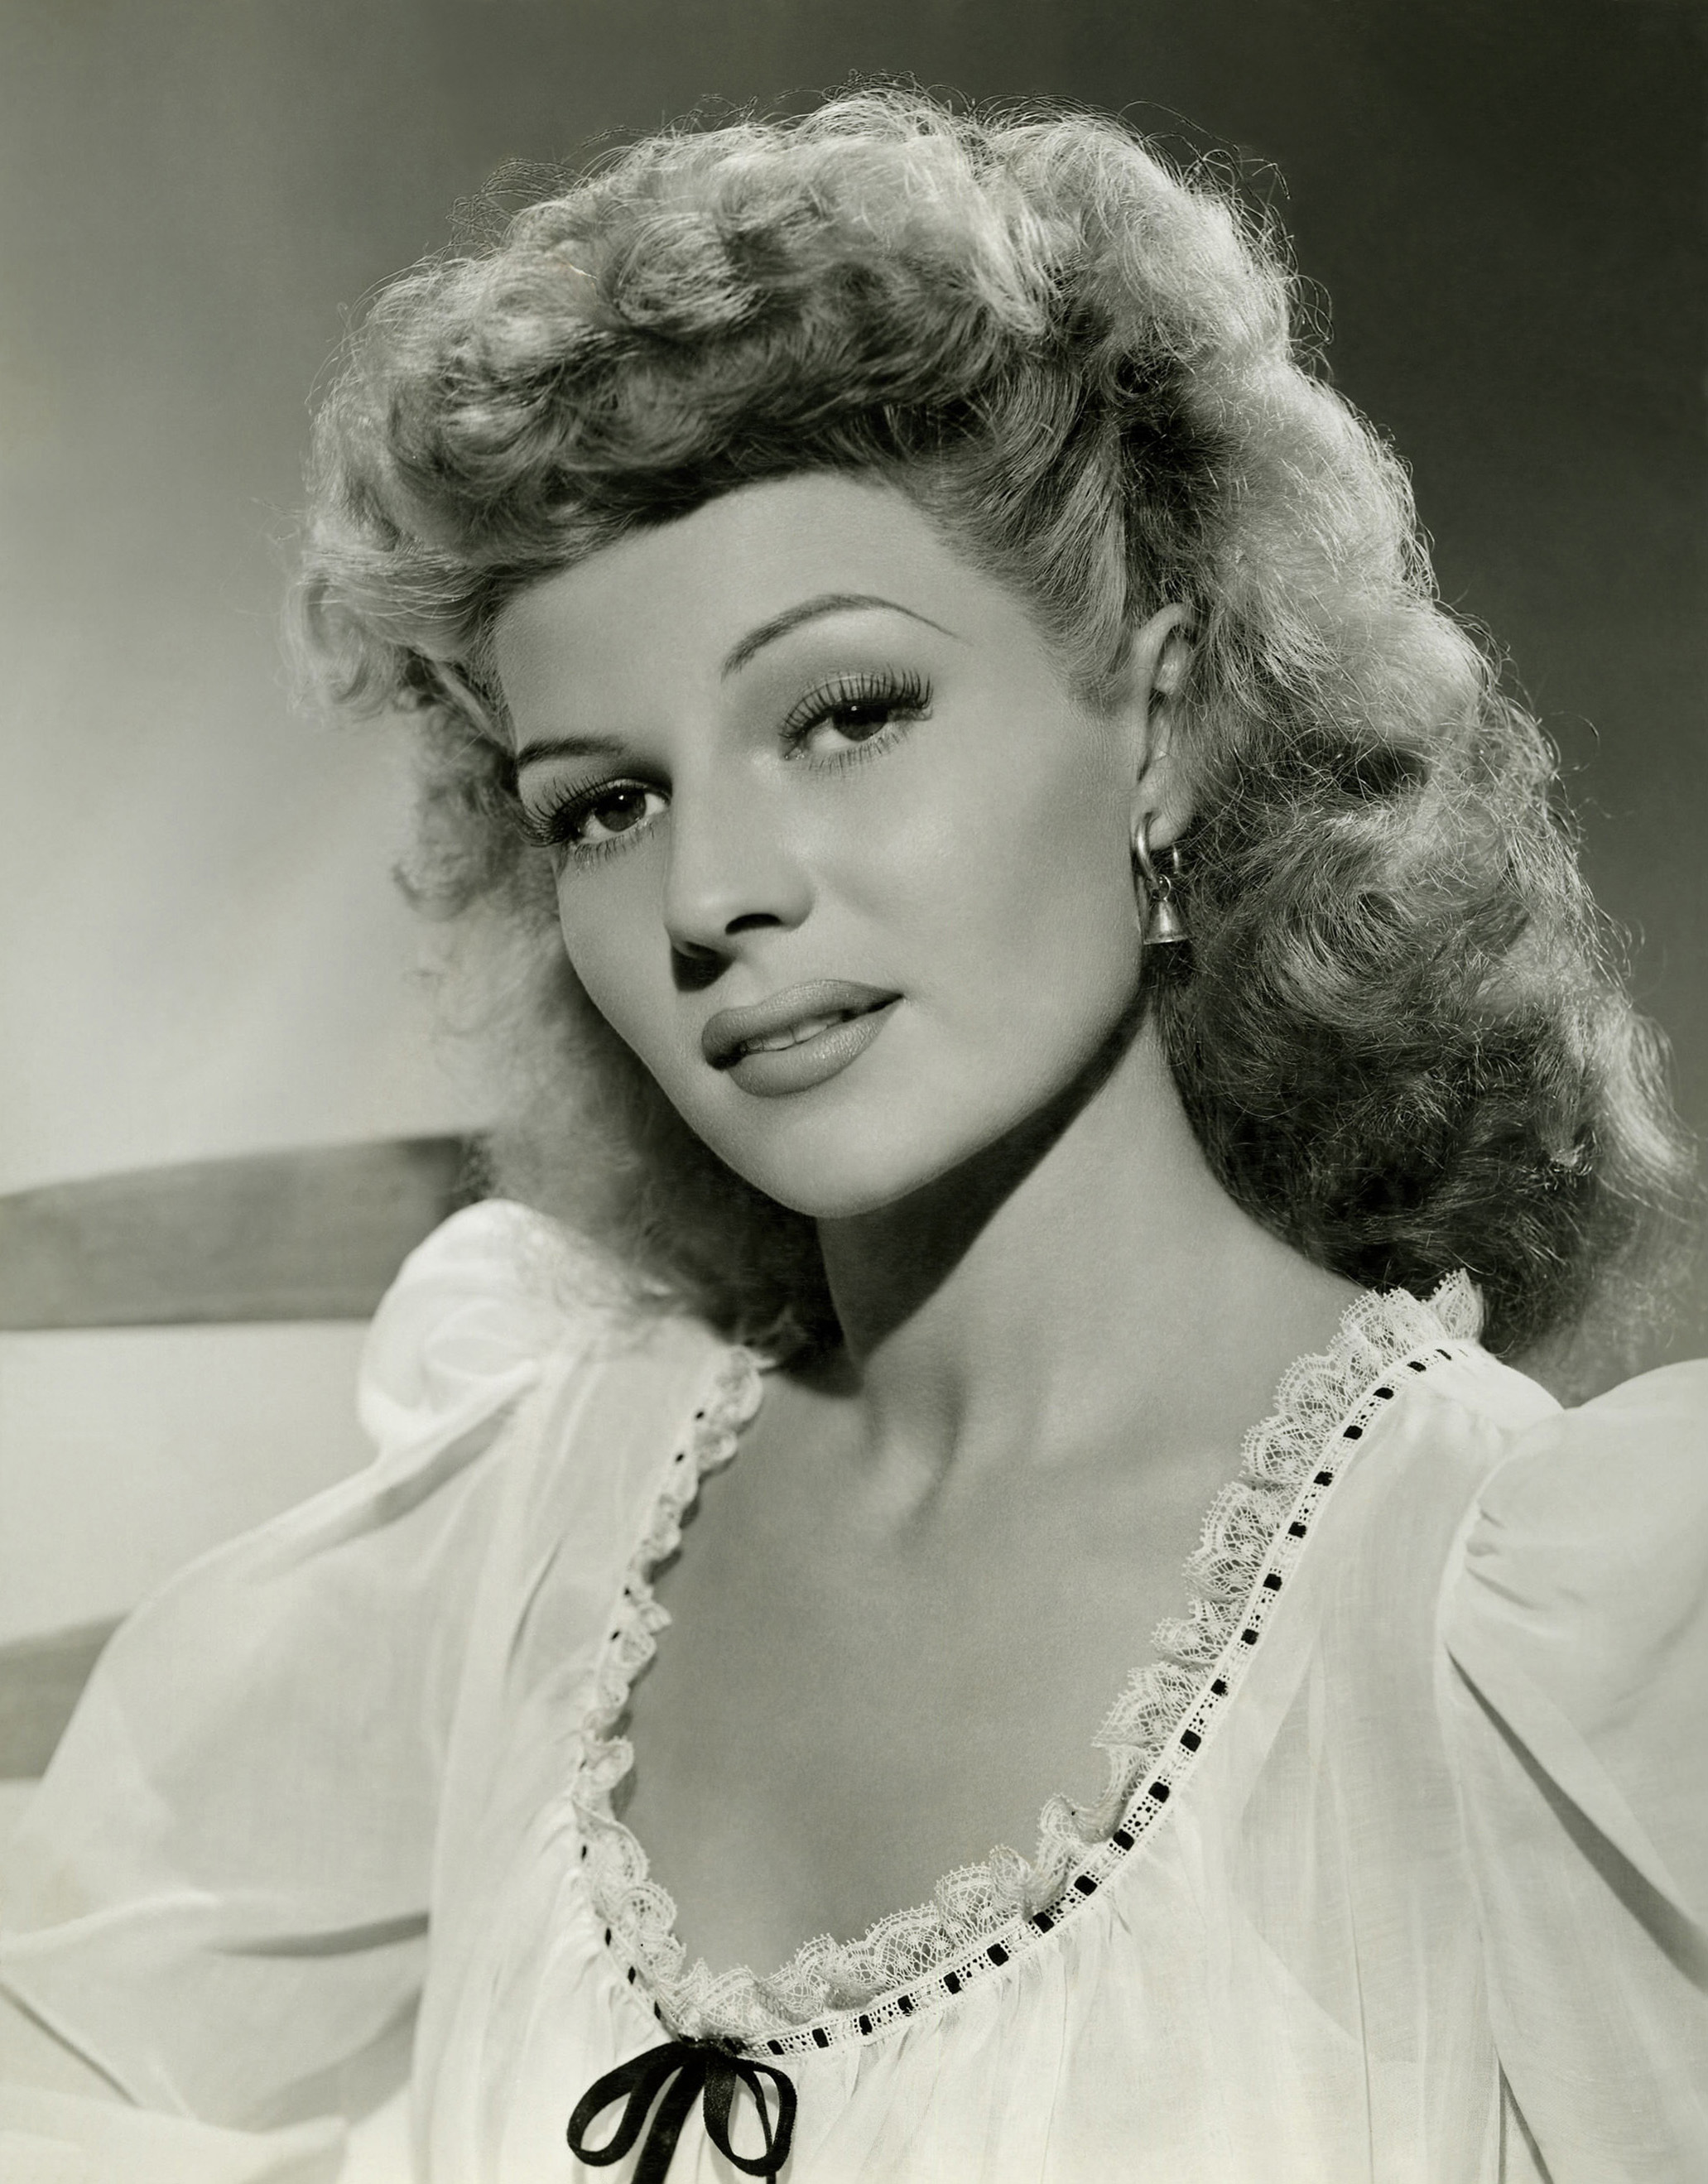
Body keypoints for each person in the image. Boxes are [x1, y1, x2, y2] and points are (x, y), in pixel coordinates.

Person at [2, 87, 1704, 2184]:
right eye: (604, 804)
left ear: (1164, 724)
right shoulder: (535, 1516)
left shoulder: (1513, 1627)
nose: (714, 890)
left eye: (846, 713)